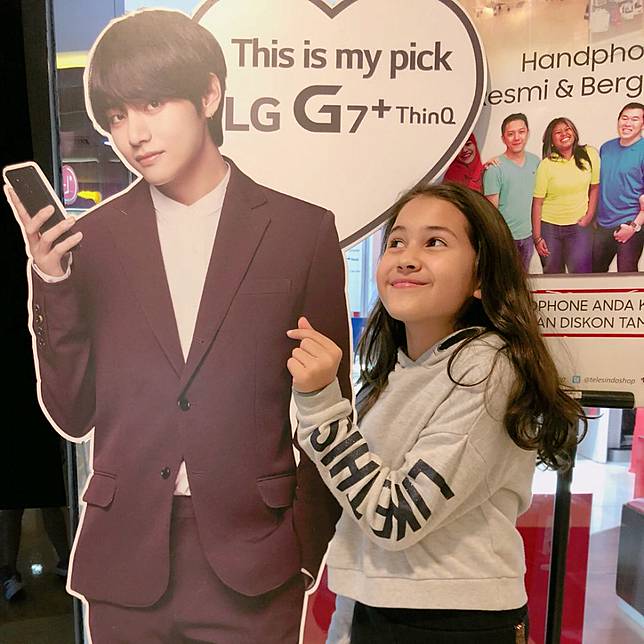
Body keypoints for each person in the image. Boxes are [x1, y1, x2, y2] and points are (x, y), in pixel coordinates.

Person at [5, 9, 350, 643]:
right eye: (116, 116)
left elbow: (330, 407)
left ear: (209, 94)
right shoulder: (93, 242)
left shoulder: (301, 232)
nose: (133, 133)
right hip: (127, 564)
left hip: (255, 563)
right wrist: (53, 283)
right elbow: (72, 414)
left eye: (153, 103)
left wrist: (304, 548)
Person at [286, 183, 586, 643]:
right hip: (377, 604)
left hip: (450, 619)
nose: (407, 258)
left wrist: (321, 404)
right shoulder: (397, 370)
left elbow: (395, 515)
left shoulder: (486, 368)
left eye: (435, 242)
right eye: (396, 242)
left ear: (481, 276)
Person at [532, 117, 600, 274]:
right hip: (549, 228)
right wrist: (537, 238)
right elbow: (537, 203)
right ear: (551, 141)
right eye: (558, 132)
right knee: (553, 275)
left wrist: (589, 216)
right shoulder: (546, 165)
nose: (564, 134)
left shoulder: (590, 154)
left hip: (579, 227)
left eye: (567, 129)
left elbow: (595, 187)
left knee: (582, 275)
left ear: (574, 132)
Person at [483, 113, 540, 271]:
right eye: (510, 134)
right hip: (505, 238)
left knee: (523, 279)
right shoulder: (495, 169)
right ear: (503, 138)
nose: (516, 138)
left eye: (521, 132)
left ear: (527, 133)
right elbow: (491, 212)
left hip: (528, 237)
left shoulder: (535, 162)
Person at [592, 102, 644, 273]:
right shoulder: (606, 148)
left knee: (626, 276)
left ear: (642, 124)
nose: (628, 123)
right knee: (593, 276)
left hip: (630, 224)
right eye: (624, 118)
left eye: (635, 119)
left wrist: (633, 227)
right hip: (602, 225)